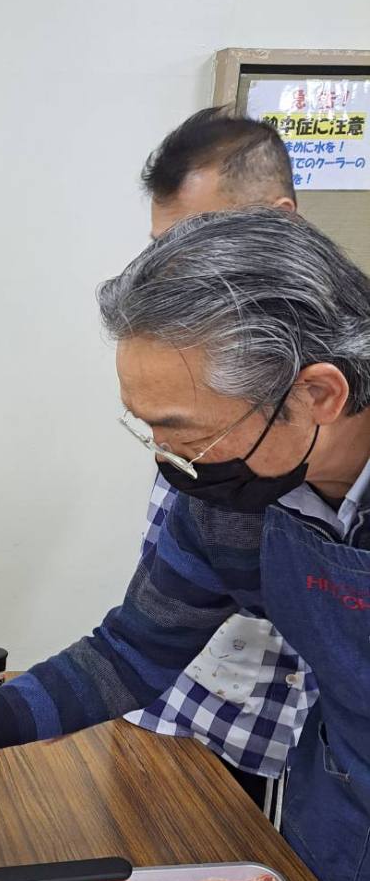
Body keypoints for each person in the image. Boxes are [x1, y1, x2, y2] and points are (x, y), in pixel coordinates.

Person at [0, 209, 370, 881]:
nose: (167, 455)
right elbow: (132, 649)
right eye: (148, 427)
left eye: (187, 430)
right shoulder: (227, 499)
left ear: (317, 394)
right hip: (344, 805)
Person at [123, 107, 313, 814]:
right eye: (159, 249)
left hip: (278, 733)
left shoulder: (318, 371)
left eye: (203, 244)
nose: (173, 275)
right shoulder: (196, 337)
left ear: (281, 221)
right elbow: (139, 630)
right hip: (173, 690)